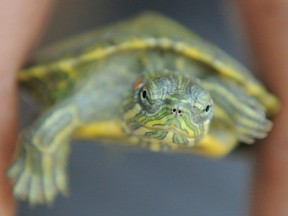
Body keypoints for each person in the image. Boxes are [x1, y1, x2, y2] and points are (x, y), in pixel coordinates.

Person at [0, 1, 287, 215]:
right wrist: (41, 156)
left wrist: (243, 110)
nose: (176, 112)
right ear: (137, 91)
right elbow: (52, 120)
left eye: (201, 109)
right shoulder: (101, 88)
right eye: (151, 97)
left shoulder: (212, 93)